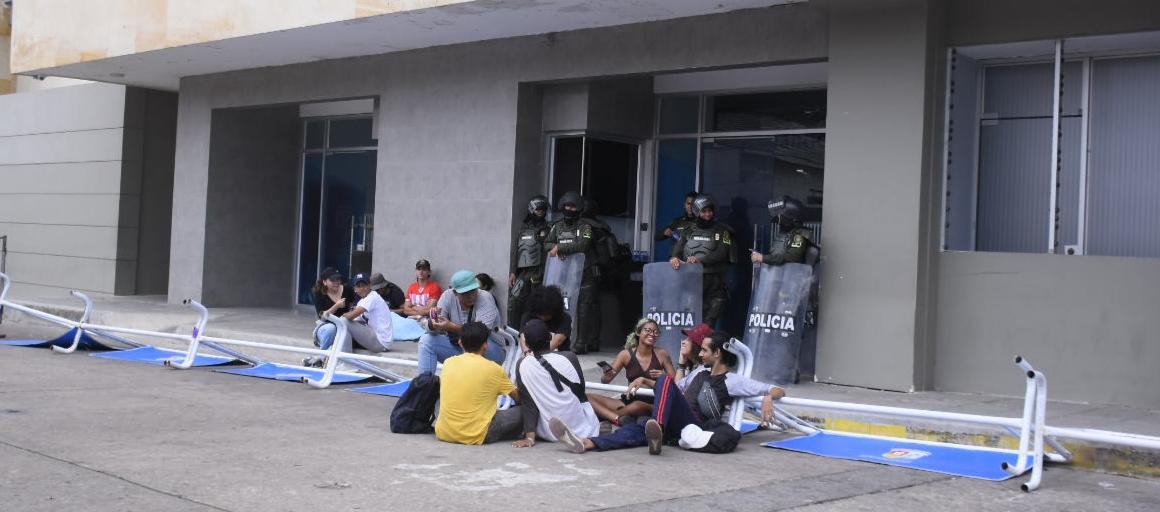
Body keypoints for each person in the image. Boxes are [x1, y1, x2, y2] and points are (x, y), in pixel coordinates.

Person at [550, 330, 785, 455]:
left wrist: (768, 397)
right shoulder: (698, 372)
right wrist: (646, 380)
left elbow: (777, 389)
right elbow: (674, 389)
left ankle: (657, 430)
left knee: (661, 385)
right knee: (632, 433)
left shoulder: (732, 381)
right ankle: (586, 443)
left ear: (718, 354)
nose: (700, 353)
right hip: (672, 421)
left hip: (693, 424)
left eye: (704, 350)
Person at [513, 318, 600, 448]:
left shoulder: (522, 364)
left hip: (549, 432)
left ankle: (569, 433)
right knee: (586, 405)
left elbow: (528, 402)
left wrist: (529, 438)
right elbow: (580, 393)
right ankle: (590, 431)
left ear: (527, 344)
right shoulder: (570, 357)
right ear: (550, 337)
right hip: (584, 427)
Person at [435, 322, 524, 445]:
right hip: (477, 434)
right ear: (485, 345)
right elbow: (519, 398)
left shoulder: (448, 363)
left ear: (460, 342)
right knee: (524, 411)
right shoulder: (494, 369)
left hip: (445, 432)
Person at [586, 318, 679, 424]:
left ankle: (610, 416)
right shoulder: (625, 355)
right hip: (629, 400)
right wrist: (607, 374)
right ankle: (618, 418)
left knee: (637, 406)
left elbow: (677, 384)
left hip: (653, 402)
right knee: (587, 397)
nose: (652, 334)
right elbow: (605, 381)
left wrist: (664, 376)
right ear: (638, 332)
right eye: (648, 330)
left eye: (655, 332)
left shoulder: (662, 354)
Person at [417, 270, 506, 374]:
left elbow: (478, 334)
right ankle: (425, 382)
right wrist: (433, 324)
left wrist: (450, 326)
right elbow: (433, 330)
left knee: (475, 343)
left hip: (490, 349)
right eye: (465, 293)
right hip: (459, 346)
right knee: (426, 341)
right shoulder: (447, 296)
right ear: (455, 292)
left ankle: (471, 380)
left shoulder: (485, 298)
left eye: (473, 291)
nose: (471, 296)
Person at [545, 191, 602, 354]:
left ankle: (582, 342)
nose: (569, 209)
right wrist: (556, 248)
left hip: (584, 272)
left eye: (573, 207)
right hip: (563, 272)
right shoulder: (556, 226)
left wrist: (560, 248)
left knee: (584, 308)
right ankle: (559, 339)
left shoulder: (585, 227)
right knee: (563, 305)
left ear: (579, 209)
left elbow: (583, 244)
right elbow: (547, 244)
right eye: (567, 206)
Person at [670, 194, 735, 327]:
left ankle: (704, 341)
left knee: (709, 322)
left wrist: (699, 260)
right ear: (697, 212)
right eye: (704, 211)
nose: (708, 214)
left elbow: (721, 253)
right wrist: (674, 258)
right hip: (690, 281)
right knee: (689, 319)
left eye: (710, 211)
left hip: (714, 282)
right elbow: (677, 251)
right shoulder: (687, 231)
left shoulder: (723, 232)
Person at [508, 195, 551, 328]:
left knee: (535, 306)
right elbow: (516, 251)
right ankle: (513, 333)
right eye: (538, 210)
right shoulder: (523, 228)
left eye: (543, 210)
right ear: (532, 209)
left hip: (540, 271)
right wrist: (513, 272)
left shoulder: (549, 228)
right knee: (514, 303)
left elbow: (548, 252)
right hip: (524, 272)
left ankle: (532, 333)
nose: (541, 212)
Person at [305, 268, 358, 367]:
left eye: (338, 279)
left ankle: (318, 360)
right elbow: (323, 317)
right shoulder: (319, 293)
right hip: (326, 327)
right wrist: (336, 306)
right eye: (333, 280)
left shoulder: (348, 290)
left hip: (344, 326)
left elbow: (356, 304)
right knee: (331, 328)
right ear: (324, 282)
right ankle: (322, 358)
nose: (336, 282)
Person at [749, 196, 816, 266]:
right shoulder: (785, 233)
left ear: (790, 218)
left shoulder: (801, 234)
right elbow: (776, 255)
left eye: (779, 218)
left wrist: (762, 258)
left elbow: (791, 258)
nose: (778, 222)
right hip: (780, 272)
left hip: (795, 272)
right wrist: (761, 257)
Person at [342, 273, 394, 353]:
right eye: (359, 286)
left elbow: (350, 317)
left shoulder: (372, 297)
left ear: (370, 285)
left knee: (344, 321)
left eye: (364, 285)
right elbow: (354, 320)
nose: (362, 288)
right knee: (345, 328)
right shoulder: (362, 301)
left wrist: (345, 315)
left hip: (381, 342)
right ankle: (343, 355)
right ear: (355, 289)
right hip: (375, 338)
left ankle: (344, 356)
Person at [518, 285, 572, 352]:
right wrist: (527, 352)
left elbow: (558, 340)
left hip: (558, 354)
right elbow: (523, 338)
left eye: (546, 315)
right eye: (540, 314)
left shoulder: (565, 318)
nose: (543, 318)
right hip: (531, 354)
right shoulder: (528, 316)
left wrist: (538, 355)